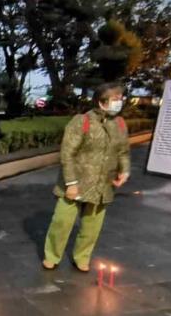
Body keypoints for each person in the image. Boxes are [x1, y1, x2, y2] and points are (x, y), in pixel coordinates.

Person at [42, 83, 131, 272]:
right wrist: (71, 183)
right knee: (62, 222)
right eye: (115, 99)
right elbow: (67, 154)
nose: (119, 102)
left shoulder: (120, 124)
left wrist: (124, 170)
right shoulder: (82, 121)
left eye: (121, 99)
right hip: (76, 181)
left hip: (102, 184)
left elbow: (123, 150)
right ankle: (52, 255)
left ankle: (82, 257)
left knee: (92, 226)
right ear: (101, 102)